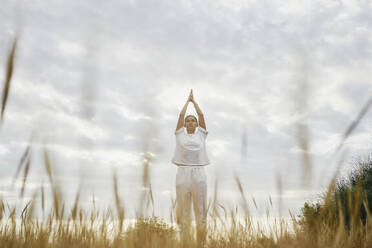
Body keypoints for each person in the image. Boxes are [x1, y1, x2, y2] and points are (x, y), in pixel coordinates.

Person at [172, 89, 209, 244]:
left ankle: (201, 243)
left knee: (200, 210)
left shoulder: (201, 134)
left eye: (193, 120)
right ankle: (185, 242)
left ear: (197, 124)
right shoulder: (180, 134)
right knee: (184, 211)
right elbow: (181, 116)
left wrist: (195, 102)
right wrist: (187, 102)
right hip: (182, 172)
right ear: (185, 124)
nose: (191, 122)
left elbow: (201, 116)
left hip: (199, 172)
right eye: (189, 121)